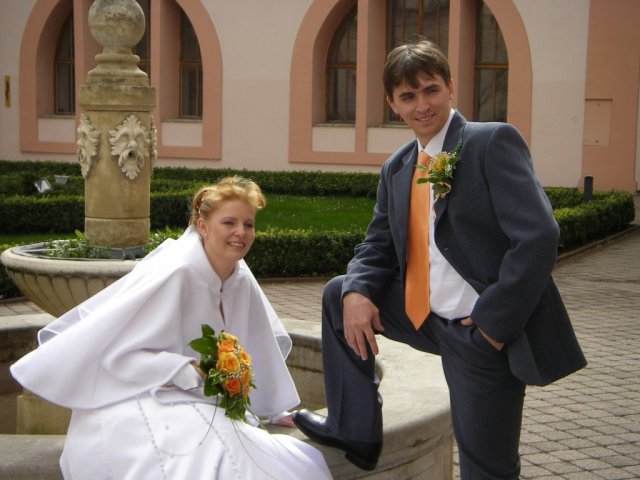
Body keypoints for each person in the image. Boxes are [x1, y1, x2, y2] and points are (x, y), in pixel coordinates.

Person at [292, 40, 587, 479]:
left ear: (450, 87)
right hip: (423, 316)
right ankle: (354, 430)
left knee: (486, 467)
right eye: (408, 96)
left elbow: (539, 236)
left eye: (431, 90)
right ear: (393, 104)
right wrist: (357, 290)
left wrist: (493, 325)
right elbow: (377, 246)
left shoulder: (490, 142)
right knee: (340, 294)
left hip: (479, 332)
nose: (422, 105)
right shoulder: (398, 167)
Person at [11, 176, 332, 480]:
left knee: (271, 456)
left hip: (197, 397)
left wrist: (272, 408)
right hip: (138, 394)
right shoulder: (178, 273)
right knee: (211, 453)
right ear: (203, 227)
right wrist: (186, 370)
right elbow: (120, 358)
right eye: (229, 223)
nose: (241, 232)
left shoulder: (240, 279)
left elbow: (257, 346)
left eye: (248, 224)